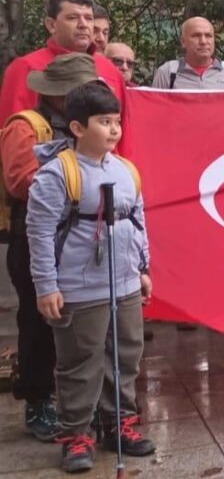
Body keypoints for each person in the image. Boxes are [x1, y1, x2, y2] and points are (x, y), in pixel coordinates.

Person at [27, 82, 156, 472]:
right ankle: (76, 434)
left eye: (117, 122)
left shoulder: (125, 169)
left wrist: (143, 268)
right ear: (78, 127)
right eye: (104, 122)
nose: (114, 130)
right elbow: (40, 232)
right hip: (81, 287)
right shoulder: (57, 174)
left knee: (126, 355)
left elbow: (139, 220)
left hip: (125, 282)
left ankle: (118, 422)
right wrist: (46, 285)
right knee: (81, 361)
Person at [1, 54, 100, 443]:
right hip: (36, 238)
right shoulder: (27, 128)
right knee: (39, 322)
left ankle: (77, 399)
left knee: (80, 321)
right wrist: (75, 180)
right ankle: (37, 399)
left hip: (79, 238)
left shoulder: (90, 126)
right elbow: (20, 181)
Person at [0, 0, 126, 123]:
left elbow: (123, 127)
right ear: (51, 25)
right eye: (73, 18)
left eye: (89, 18)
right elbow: (12, 132)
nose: (83, 25)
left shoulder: (109, 69)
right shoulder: (26, 68)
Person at [150, 17, 224, 90]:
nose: (203, 41)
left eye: (208, 36)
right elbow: (155, 111)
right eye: (196, 36)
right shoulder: (168, 73)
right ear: (183, 42)